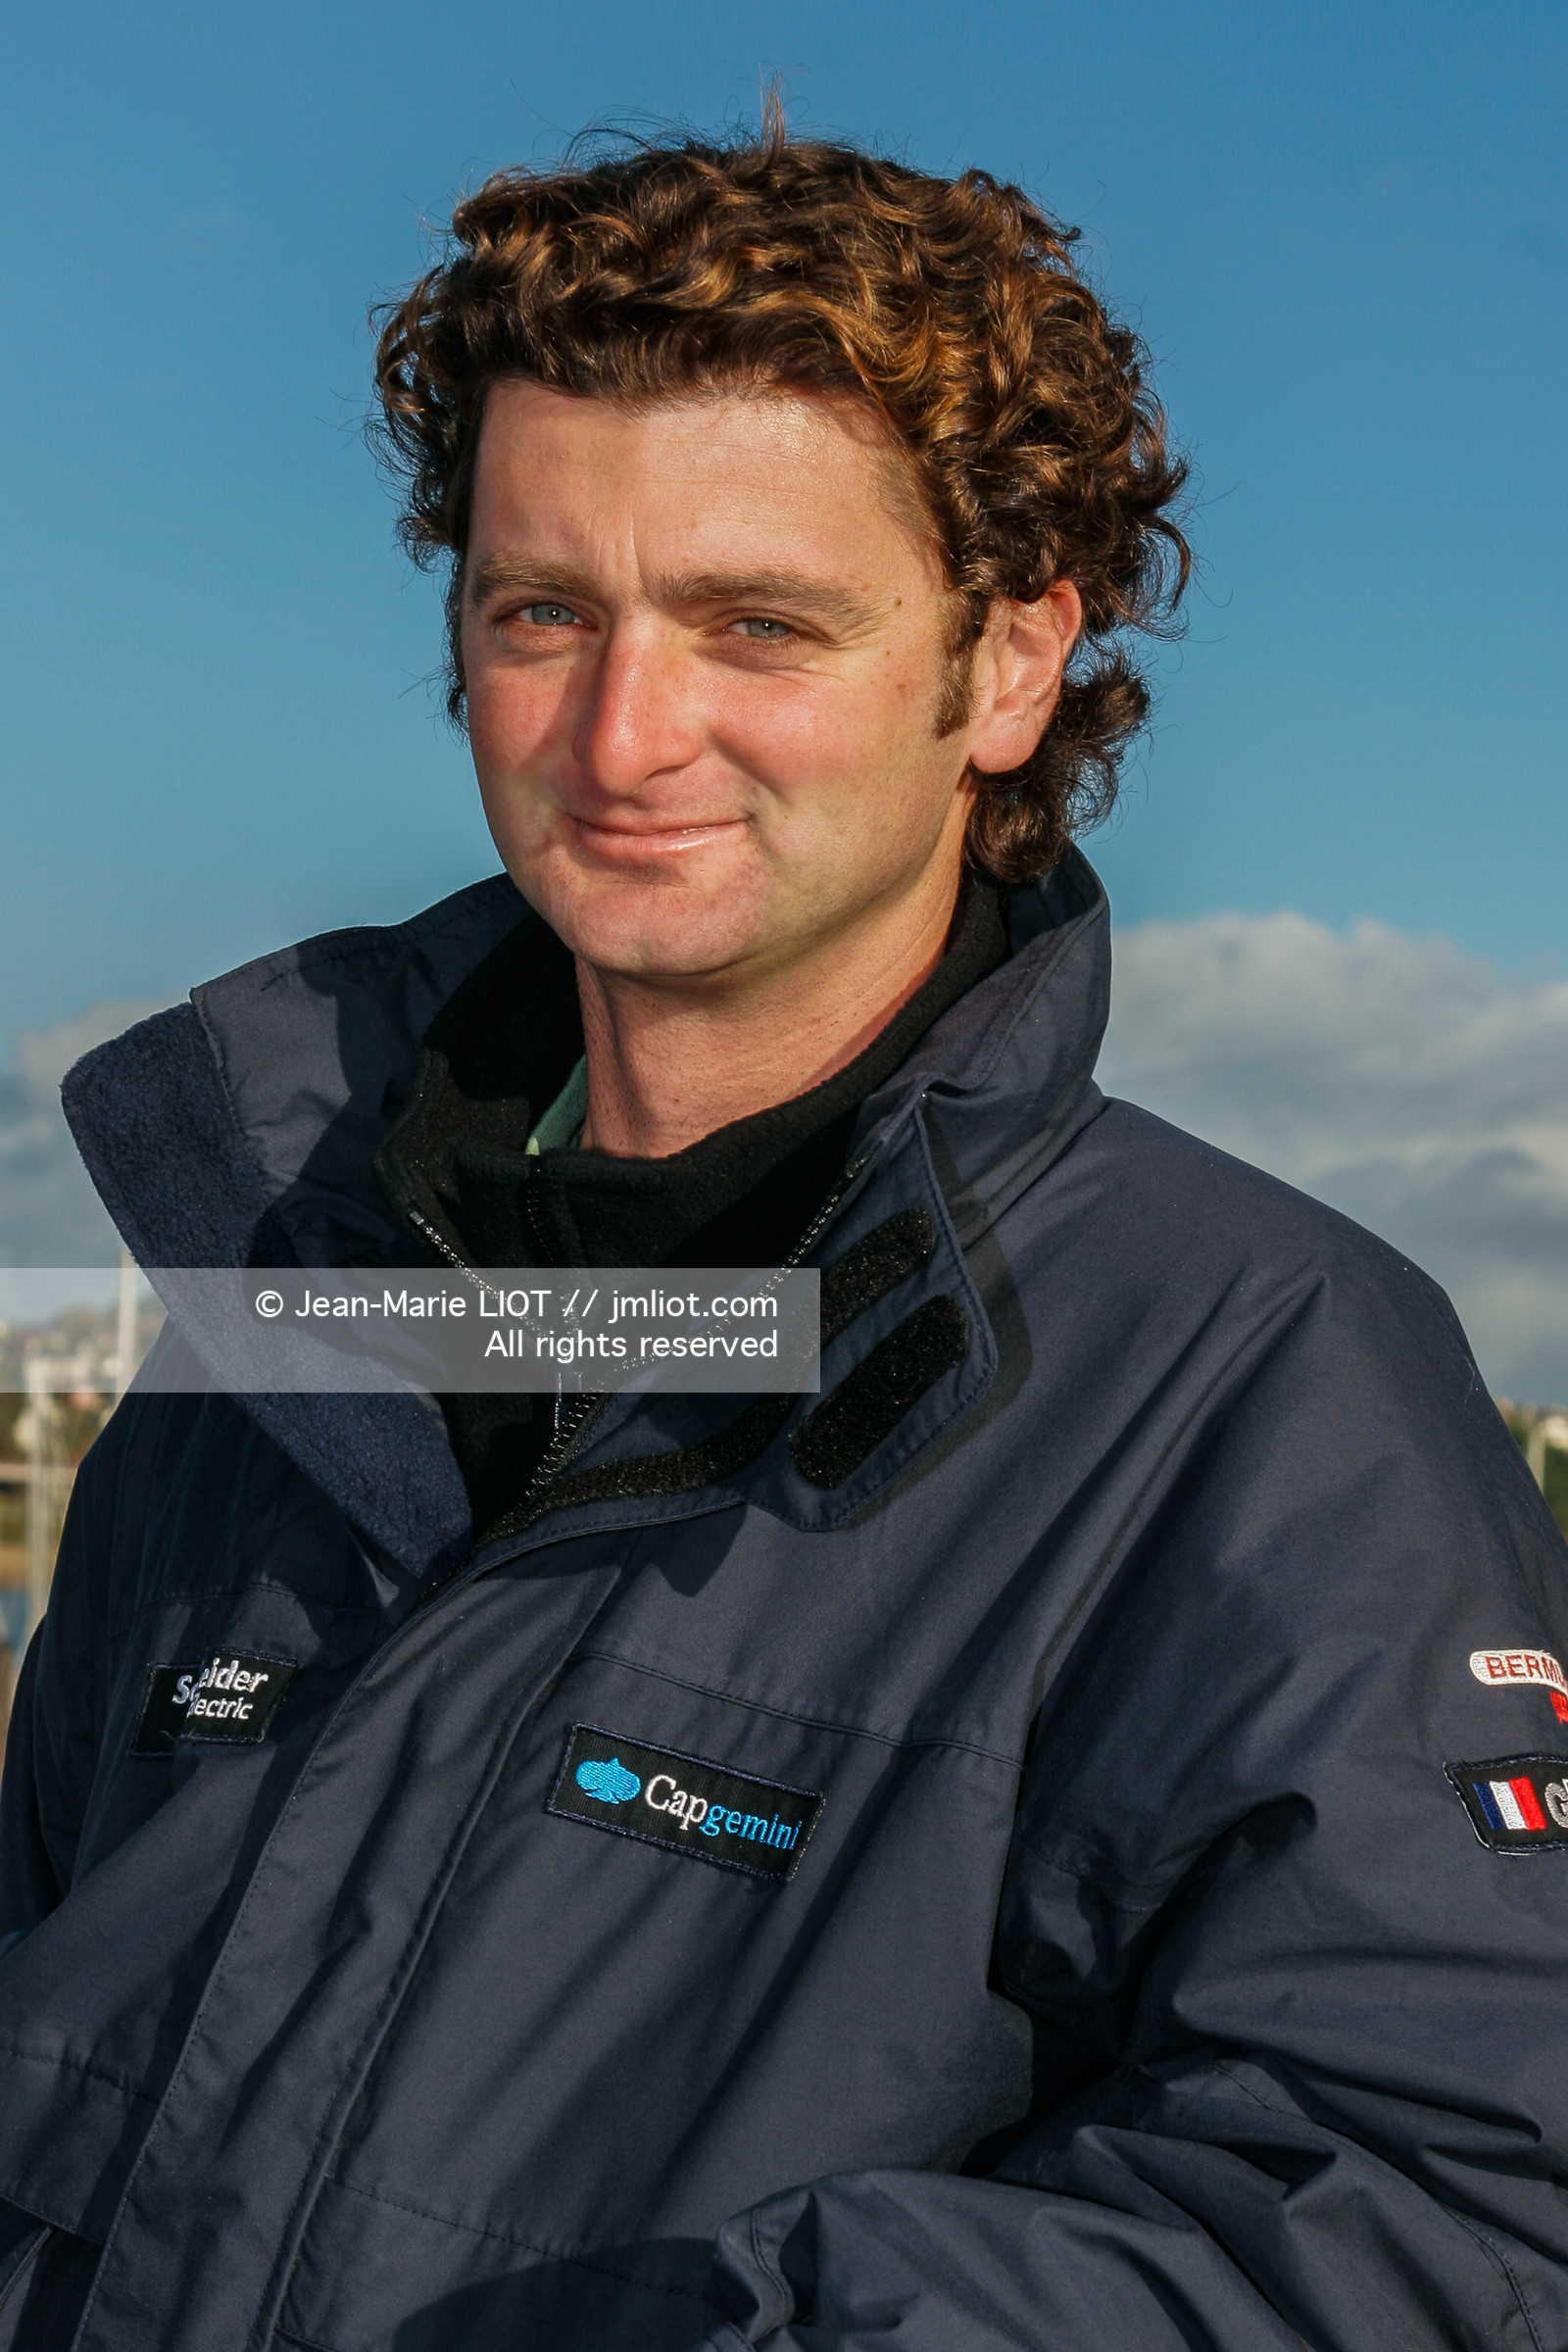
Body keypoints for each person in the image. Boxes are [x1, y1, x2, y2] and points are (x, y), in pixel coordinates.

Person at [1, 112, 1565, 2352]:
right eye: (543, 611)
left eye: (758, 623)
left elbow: (1444, 2203)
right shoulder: (295, 1299)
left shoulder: (1259, 1378)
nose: (625, 734)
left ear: (1006, 665)